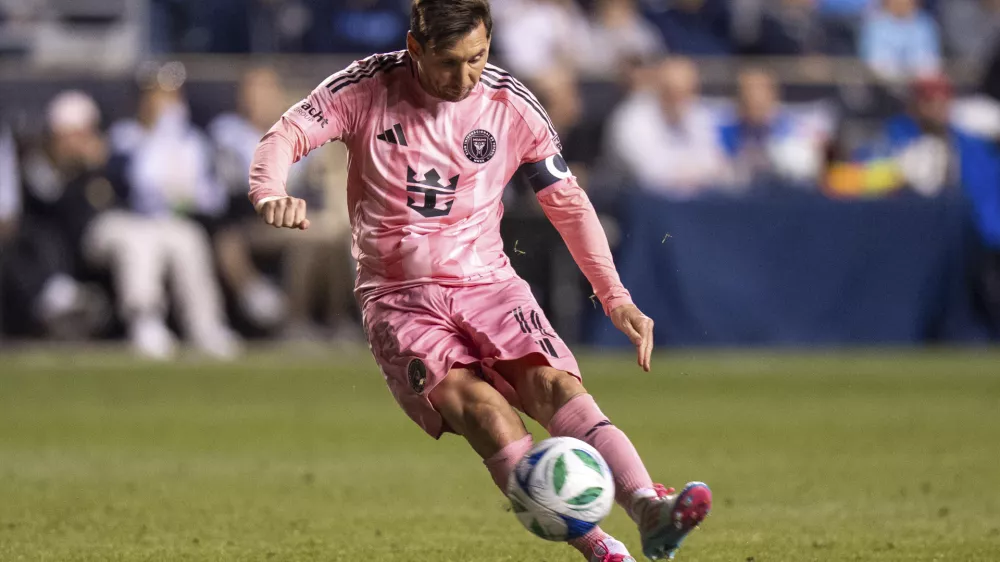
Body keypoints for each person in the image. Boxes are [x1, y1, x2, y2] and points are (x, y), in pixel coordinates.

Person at [247, 1, 712, 561]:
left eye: (479, 57)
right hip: (400, 300)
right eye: (448, 62)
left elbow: (566, 201)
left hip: (489, 283)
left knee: (555, 388)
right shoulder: (367, 87)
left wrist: (616, 297)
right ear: (415, 49)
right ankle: (600, 548)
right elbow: (286, 134)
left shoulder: (508, 102)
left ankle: (648, 508)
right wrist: (270, 190)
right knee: (487, 416)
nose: (465, 77)